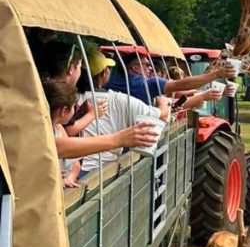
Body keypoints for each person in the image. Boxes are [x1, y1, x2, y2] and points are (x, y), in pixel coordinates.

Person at [79, 48, 170, 175]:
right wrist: (163, 103)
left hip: (73, 170)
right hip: (102, 169)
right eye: (146, 65)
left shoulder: (65, 100)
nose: (149, 68)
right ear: (104, 73)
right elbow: (162, 116)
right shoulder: (118, 99)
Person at [106, 51, 236, 105]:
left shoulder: (110, 82)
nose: (150, 68)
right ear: (134, 68)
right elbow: (181, 85)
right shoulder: (146, 84)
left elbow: (180, 91)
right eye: (146, 65)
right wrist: (216, 74)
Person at [43, 80, 82, 188]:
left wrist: (69, 179)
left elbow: (75, 165)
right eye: (73, 107)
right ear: (64, 111)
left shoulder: (59, 129)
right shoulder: (40, 135)